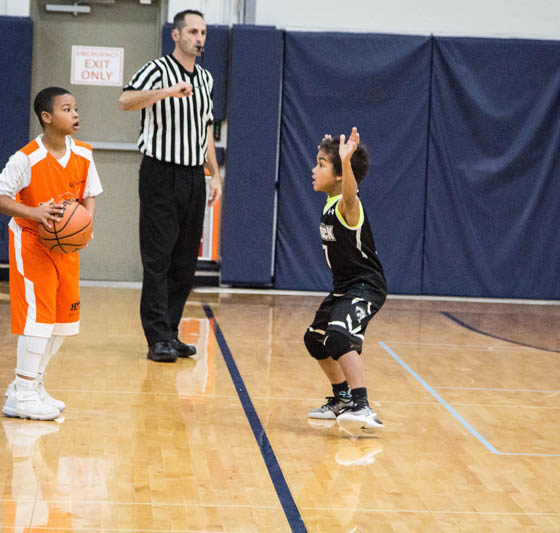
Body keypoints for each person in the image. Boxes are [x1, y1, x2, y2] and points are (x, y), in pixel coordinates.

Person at [119, 9, 222, 363]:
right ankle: (157, 337)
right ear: (176, 35)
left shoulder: (206, 79)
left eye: (203, 32)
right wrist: (165, 92)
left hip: (194, 176)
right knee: (158, 257)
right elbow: (125, 101)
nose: (199, 38)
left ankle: (171, 332)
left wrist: (214, 174)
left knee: (184, 262)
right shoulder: (157, 70)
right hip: (160, 173)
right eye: (192, 32)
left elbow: (206, 129)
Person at [0, 86, 102, 420]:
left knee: (62, 323)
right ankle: (22, 394)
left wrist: (85, 224)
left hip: (65, 247)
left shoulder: (83, 154)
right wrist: (35, 213)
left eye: (75, 108)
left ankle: (31, 384)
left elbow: (89, 196)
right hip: (31, 243)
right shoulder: (26, 158)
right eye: (66, 109)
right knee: (39, 320)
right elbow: (1, 196)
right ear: (47, 117)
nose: (75, 114)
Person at [304, 127, 387, 435]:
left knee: (338, 338)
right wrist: (334, 156)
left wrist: (346, 161)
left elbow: (350, 195)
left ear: (340, 175)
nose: (314, 170)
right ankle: (342, 398)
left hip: (366, 285)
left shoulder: (346, 205)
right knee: (315, 339)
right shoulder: (329, 202)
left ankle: (362, 405)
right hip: (344, 287)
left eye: (321, 164)